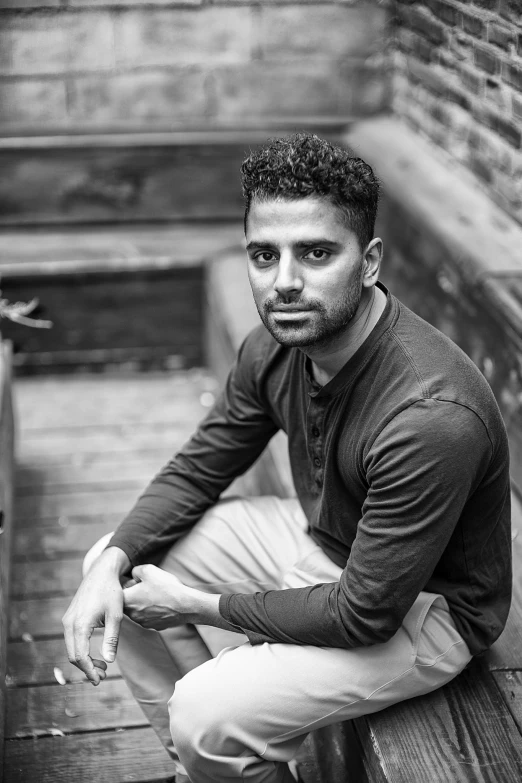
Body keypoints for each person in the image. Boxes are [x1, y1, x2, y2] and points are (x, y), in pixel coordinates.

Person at [63, 133, 512, 783]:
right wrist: (112, 560)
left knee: (204, 709)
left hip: (426, 609)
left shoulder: (430, 415)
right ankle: (217, 761)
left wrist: (198, 604)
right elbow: (199, 467)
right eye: (263, 254)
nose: (285, 282)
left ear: (370, 261)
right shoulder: (274, 346)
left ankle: (218, 738)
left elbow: (364, 613)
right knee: (117, 568)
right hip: (326, 540)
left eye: (317, 253)